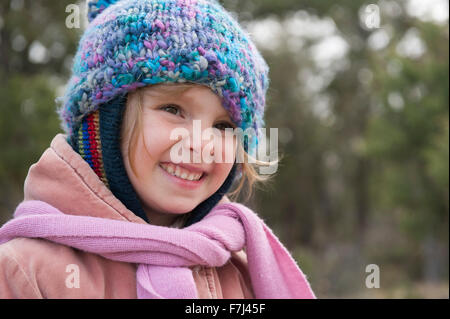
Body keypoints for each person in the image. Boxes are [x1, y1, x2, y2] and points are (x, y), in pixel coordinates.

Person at [0, 0, 315, 299]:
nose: (201, 143)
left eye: (223, 127)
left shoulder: (240, 272)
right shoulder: (26, 271)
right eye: (174, 109)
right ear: (104, 123)